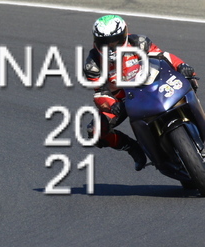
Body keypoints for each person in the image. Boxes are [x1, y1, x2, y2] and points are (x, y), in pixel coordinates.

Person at [84, 14, 198, 171]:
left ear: (124, 34)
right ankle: (132, 148)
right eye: (105, 43)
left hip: (151, 85)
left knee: (190, 81)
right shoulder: (93, 64)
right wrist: (111, 105)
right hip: (122, 100)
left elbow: (163, 57)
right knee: (95, 132)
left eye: (115, 41)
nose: (111, 46)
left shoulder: (139, 42)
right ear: (96, 41)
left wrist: (182, 66)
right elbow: (99, 92)